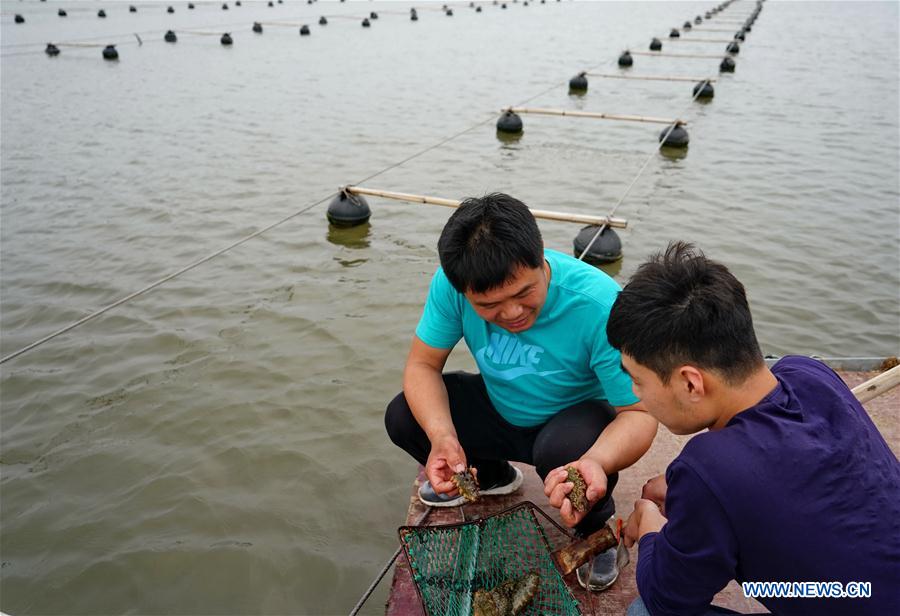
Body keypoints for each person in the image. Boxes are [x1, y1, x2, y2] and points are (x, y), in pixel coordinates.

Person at [599, 241, 899, 615]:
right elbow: (781, 473)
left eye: (638, 380)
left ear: (690, 383)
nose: (634, 392)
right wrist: (690, 492)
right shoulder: (810, 373)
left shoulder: (707, 468)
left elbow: (667, 600)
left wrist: (650, 530)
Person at [384, 193, 658, 590]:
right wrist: (442, 437)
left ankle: (596, 532)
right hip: (502, 407)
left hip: (573, 421)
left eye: (524, 293)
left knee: (565, 452)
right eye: (489, 305)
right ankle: (492, 476)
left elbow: (639, 413)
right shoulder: (451, 286)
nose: (512, 313)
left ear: (541, 254)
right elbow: (422, 366)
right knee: (404, 416)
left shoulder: (599, 304)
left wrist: (598, 461)